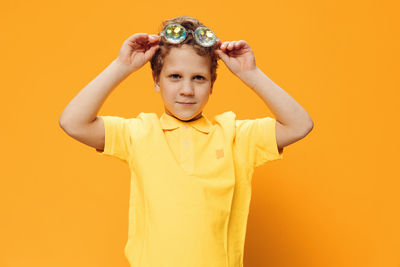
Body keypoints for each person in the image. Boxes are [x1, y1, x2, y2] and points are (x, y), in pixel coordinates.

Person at [59, 15, 313, 267]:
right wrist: (121, 66)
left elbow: (300, 125)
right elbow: (73, 122)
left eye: (199, 78)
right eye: (175, 77)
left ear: (212, 84)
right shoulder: (139, 133)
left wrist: (251, 74)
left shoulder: (235, 137)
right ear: (156, 80)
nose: (187, 90)